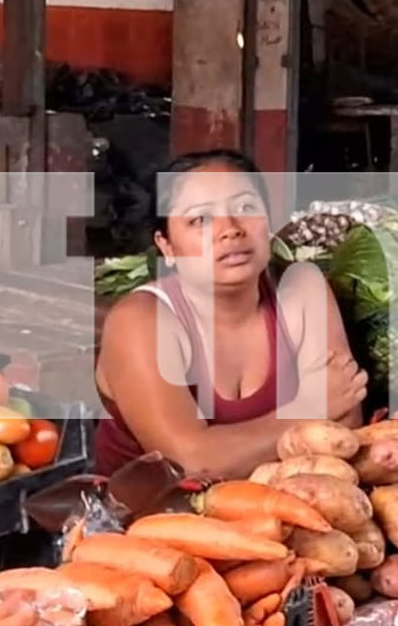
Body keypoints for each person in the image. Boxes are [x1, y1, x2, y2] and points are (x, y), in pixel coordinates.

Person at [93, 149, 367, 479]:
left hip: (279, 507)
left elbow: (342, 429)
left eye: (245, 208)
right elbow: (192, 463)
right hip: (143, 521)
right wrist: (308, 410)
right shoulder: (141, 320)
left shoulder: (302, 290)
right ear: (166, 246)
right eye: (199, 220)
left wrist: (317, 415)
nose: (230, 229)